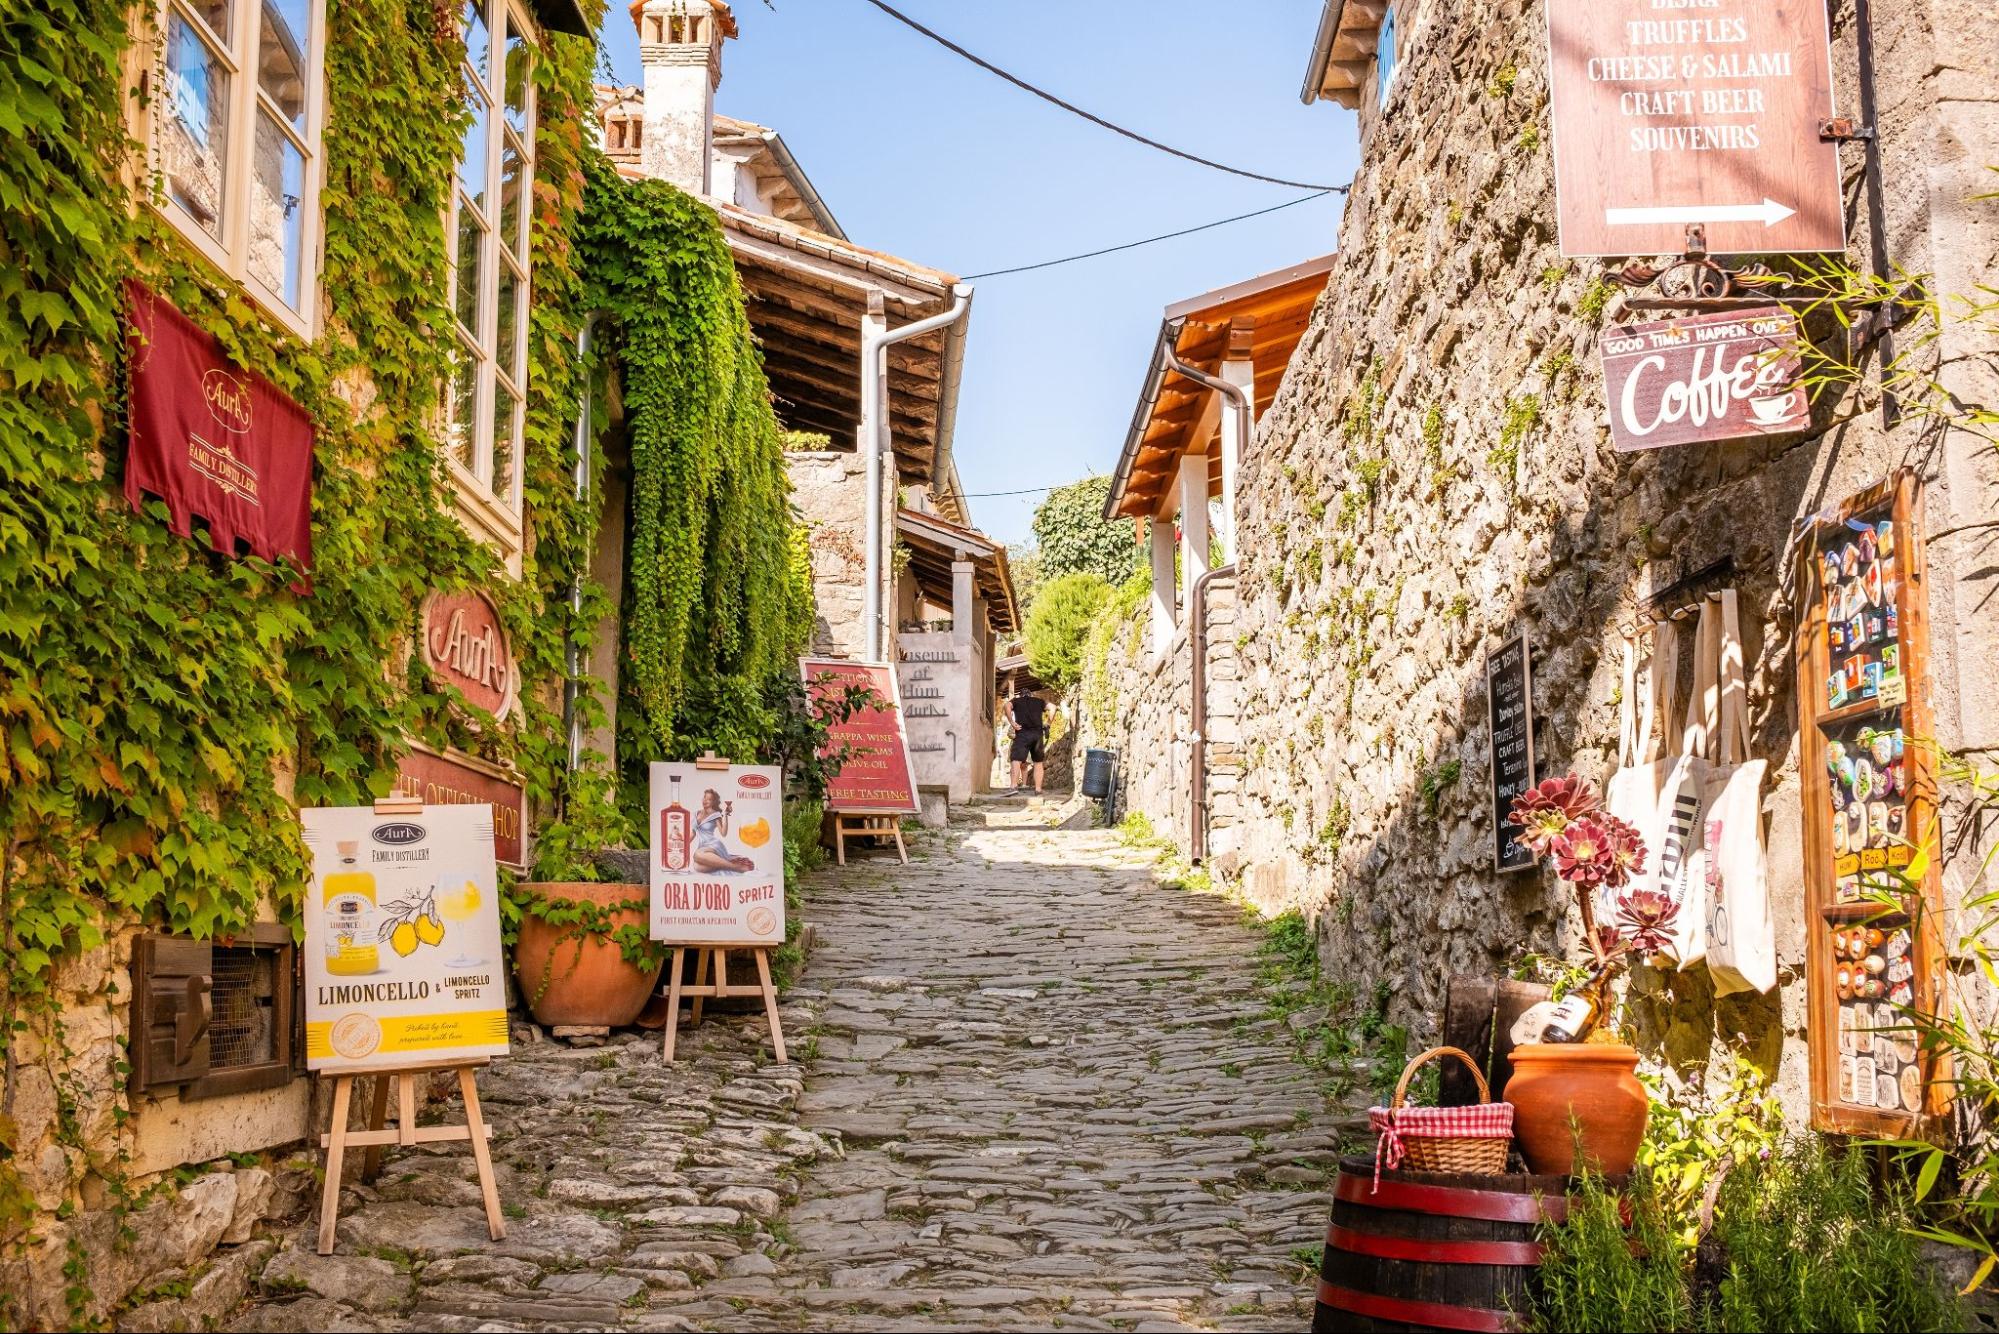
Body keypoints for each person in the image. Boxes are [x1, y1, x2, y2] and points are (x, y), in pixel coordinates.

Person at [691, 789, 755, 873]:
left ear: (713, 802)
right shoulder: (696, 813)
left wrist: (726, 815)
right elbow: (693, 833)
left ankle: (736, 867)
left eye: (709, 799)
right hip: (702, 846)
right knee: (698, 867)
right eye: (704, 797)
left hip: (713, 845)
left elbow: (723, 833)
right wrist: (682, 846)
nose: (705, 800)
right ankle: (723, 864)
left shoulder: (715, 814)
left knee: (697, 855)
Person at [1008, 688, 1050, 795]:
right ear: (1030, 695)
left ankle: (1013, 786)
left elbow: (1006, 706)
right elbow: (1053, 707)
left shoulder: (1016, 701)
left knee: (1016, 760)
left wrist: (1012, 722)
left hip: (1022, 734)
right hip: (1037, 734)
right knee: (1038, 762)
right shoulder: (1039, 701)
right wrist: (1048, 723)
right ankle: (1038, 789)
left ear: (1020, 695)